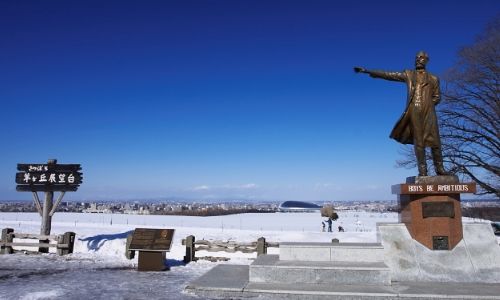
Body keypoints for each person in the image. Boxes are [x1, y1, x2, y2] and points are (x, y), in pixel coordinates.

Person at [354, 51, 448, 176]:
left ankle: (440, 168)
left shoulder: (433, 78)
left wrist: (429, 104)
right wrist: (368, 71)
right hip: (414, 110)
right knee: (419, 142)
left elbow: (437, 97)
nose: (417, 59)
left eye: (421, 57)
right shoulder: (409, 74)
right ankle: (423, 170)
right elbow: (389, 74)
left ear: (426, 60)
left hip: (429, 111)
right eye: (416, 57)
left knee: (435, 141)